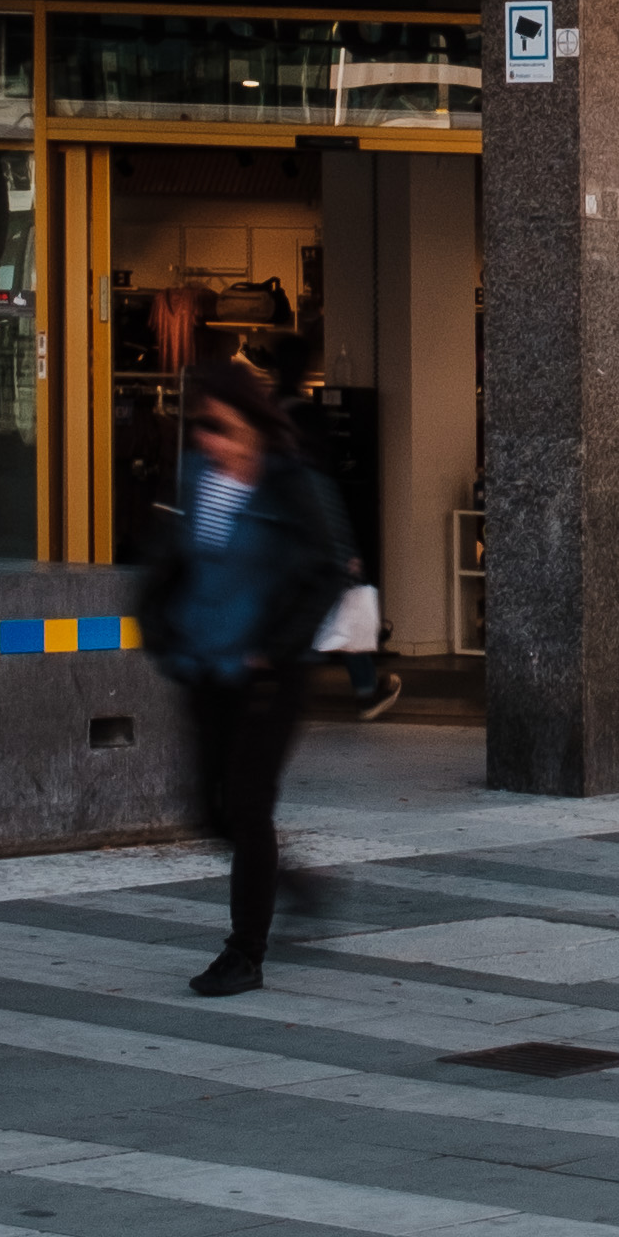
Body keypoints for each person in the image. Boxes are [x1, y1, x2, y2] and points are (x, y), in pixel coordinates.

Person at [138, 362, 354, 998]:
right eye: (200, 426)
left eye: (220, 426)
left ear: (253, 425)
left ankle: (244, 954)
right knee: (210, 809)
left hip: (267, 674)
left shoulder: (292, 484)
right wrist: (160, 624)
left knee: (248, 806)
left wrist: (277, 650)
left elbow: (329, 570)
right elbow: (174, 558)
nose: (209, 439)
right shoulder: (197, 478)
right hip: (203, 663)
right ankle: (294, 882)